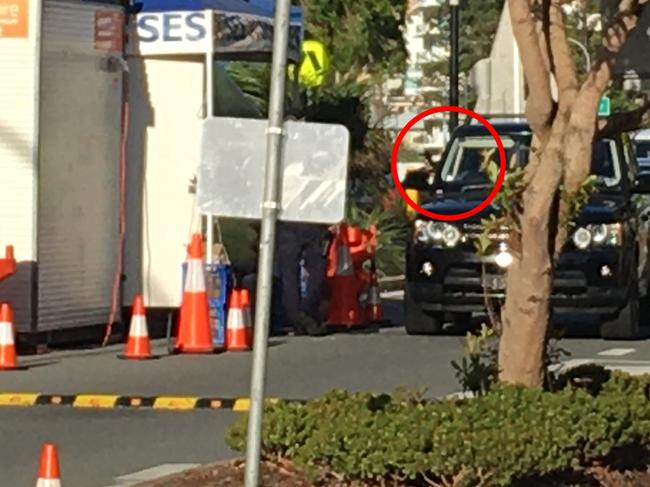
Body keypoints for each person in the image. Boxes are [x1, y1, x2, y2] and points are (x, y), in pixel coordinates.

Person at [274, 221, 330, 336]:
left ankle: (296, 318)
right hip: (314, 221)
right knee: (316, 270)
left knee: (288, 274)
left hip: (287, 222)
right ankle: (307, 312)